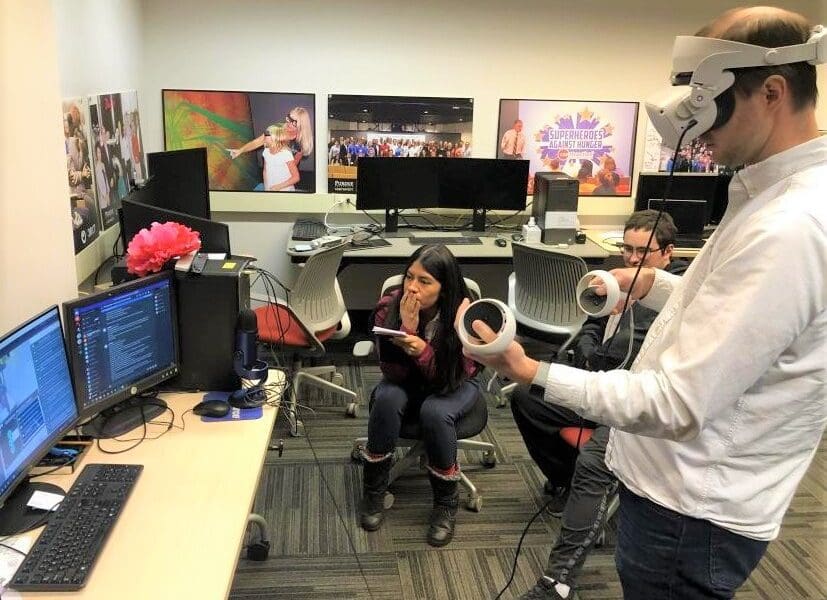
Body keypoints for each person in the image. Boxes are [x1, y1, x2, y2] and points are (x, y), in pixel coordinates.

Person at [461, 8, 826, 599]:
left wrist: (529, 370)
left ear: (772, 92)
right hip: (681, 491)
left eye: (709, 107)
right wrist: (648, 284)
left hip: (690, 509)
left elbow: (678, 403)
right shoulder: (772, 197)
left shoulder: (790, 225)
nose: (697, 133)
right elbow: (737, 314)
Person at [510, 210, 687, 600]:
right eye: (626, 248)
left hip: (633, 399)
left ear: (668, 253)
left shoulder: (681, 300)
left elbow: (650, 364)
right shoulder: (616, 279)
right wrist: (593, 351)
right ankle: (563, 480)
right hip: (595, 380)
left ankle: (558, 581)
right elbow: (590, 324)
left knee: (594, 460)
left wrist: (620, 339)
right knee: (526, 398)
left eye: (642, 252)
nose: (630, 259)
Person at [358, 244, 482, 547]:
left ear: (445, 287)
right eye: (409, 277)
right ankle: (374, 491)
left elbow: (453, 379)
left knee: (435, 412)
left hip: (453, 385)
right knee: (387, 398)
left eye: (424, 281)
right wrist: (406, 331)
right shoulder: (389, 307)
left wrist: (425, 352)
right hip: (406, 381)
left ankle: (445, 505)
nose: (412, 287)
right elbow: (392, 372)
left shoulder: (466, 315)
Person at [256, 124, 299, 192]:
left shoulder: (286, 154)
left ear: (276, 138)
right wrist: (266, 186)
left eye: (267, 134)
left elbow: (296, 177)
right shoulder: (266, 151)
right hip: (270, 187)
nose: (264, 136)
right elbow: (265, 170)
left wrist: (279, 187)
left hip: (285, 189)